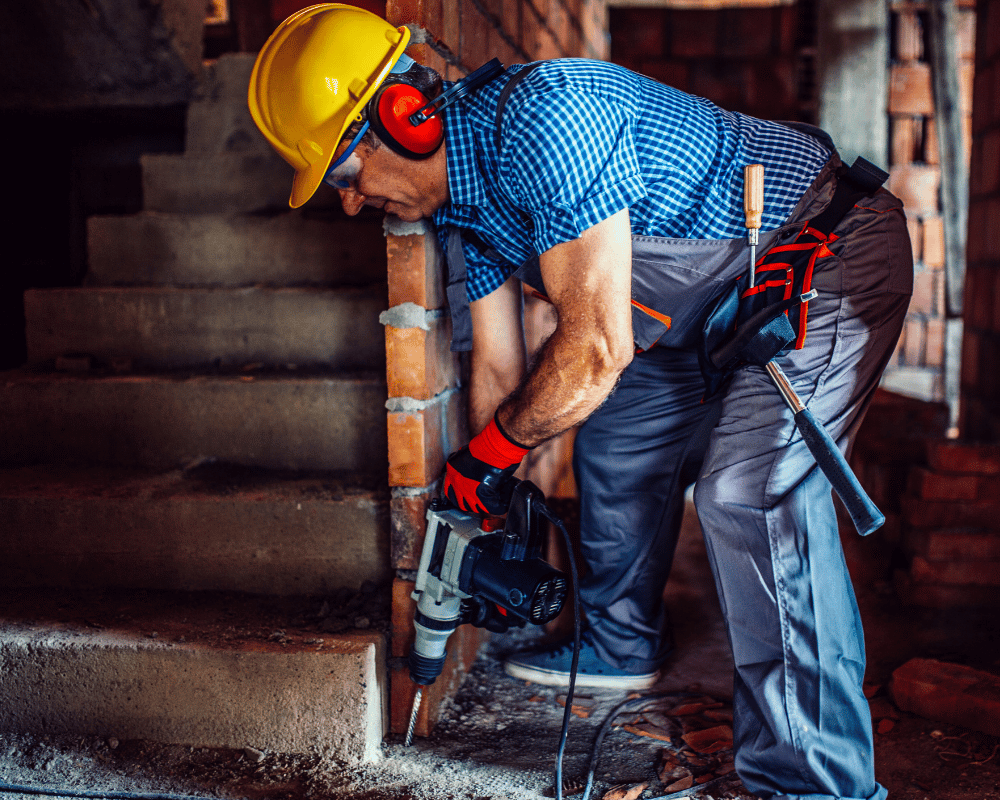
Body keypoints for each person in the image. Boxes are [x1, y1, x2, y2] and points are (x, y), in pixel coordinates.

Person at [249, 6, 912, 799]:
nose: (352, 204)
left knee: (749, 493)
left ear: (405, 118)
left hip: (823, 256)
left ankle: (816, 780)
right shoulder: (465, 212)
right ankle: (622, 646)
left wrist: (491, 454)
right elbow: (501, 372)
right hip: (701, 318)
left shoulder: (551, 114)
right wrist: (484, 498)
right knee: (615, 442)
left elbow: (596, 349)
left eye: (344, 176)